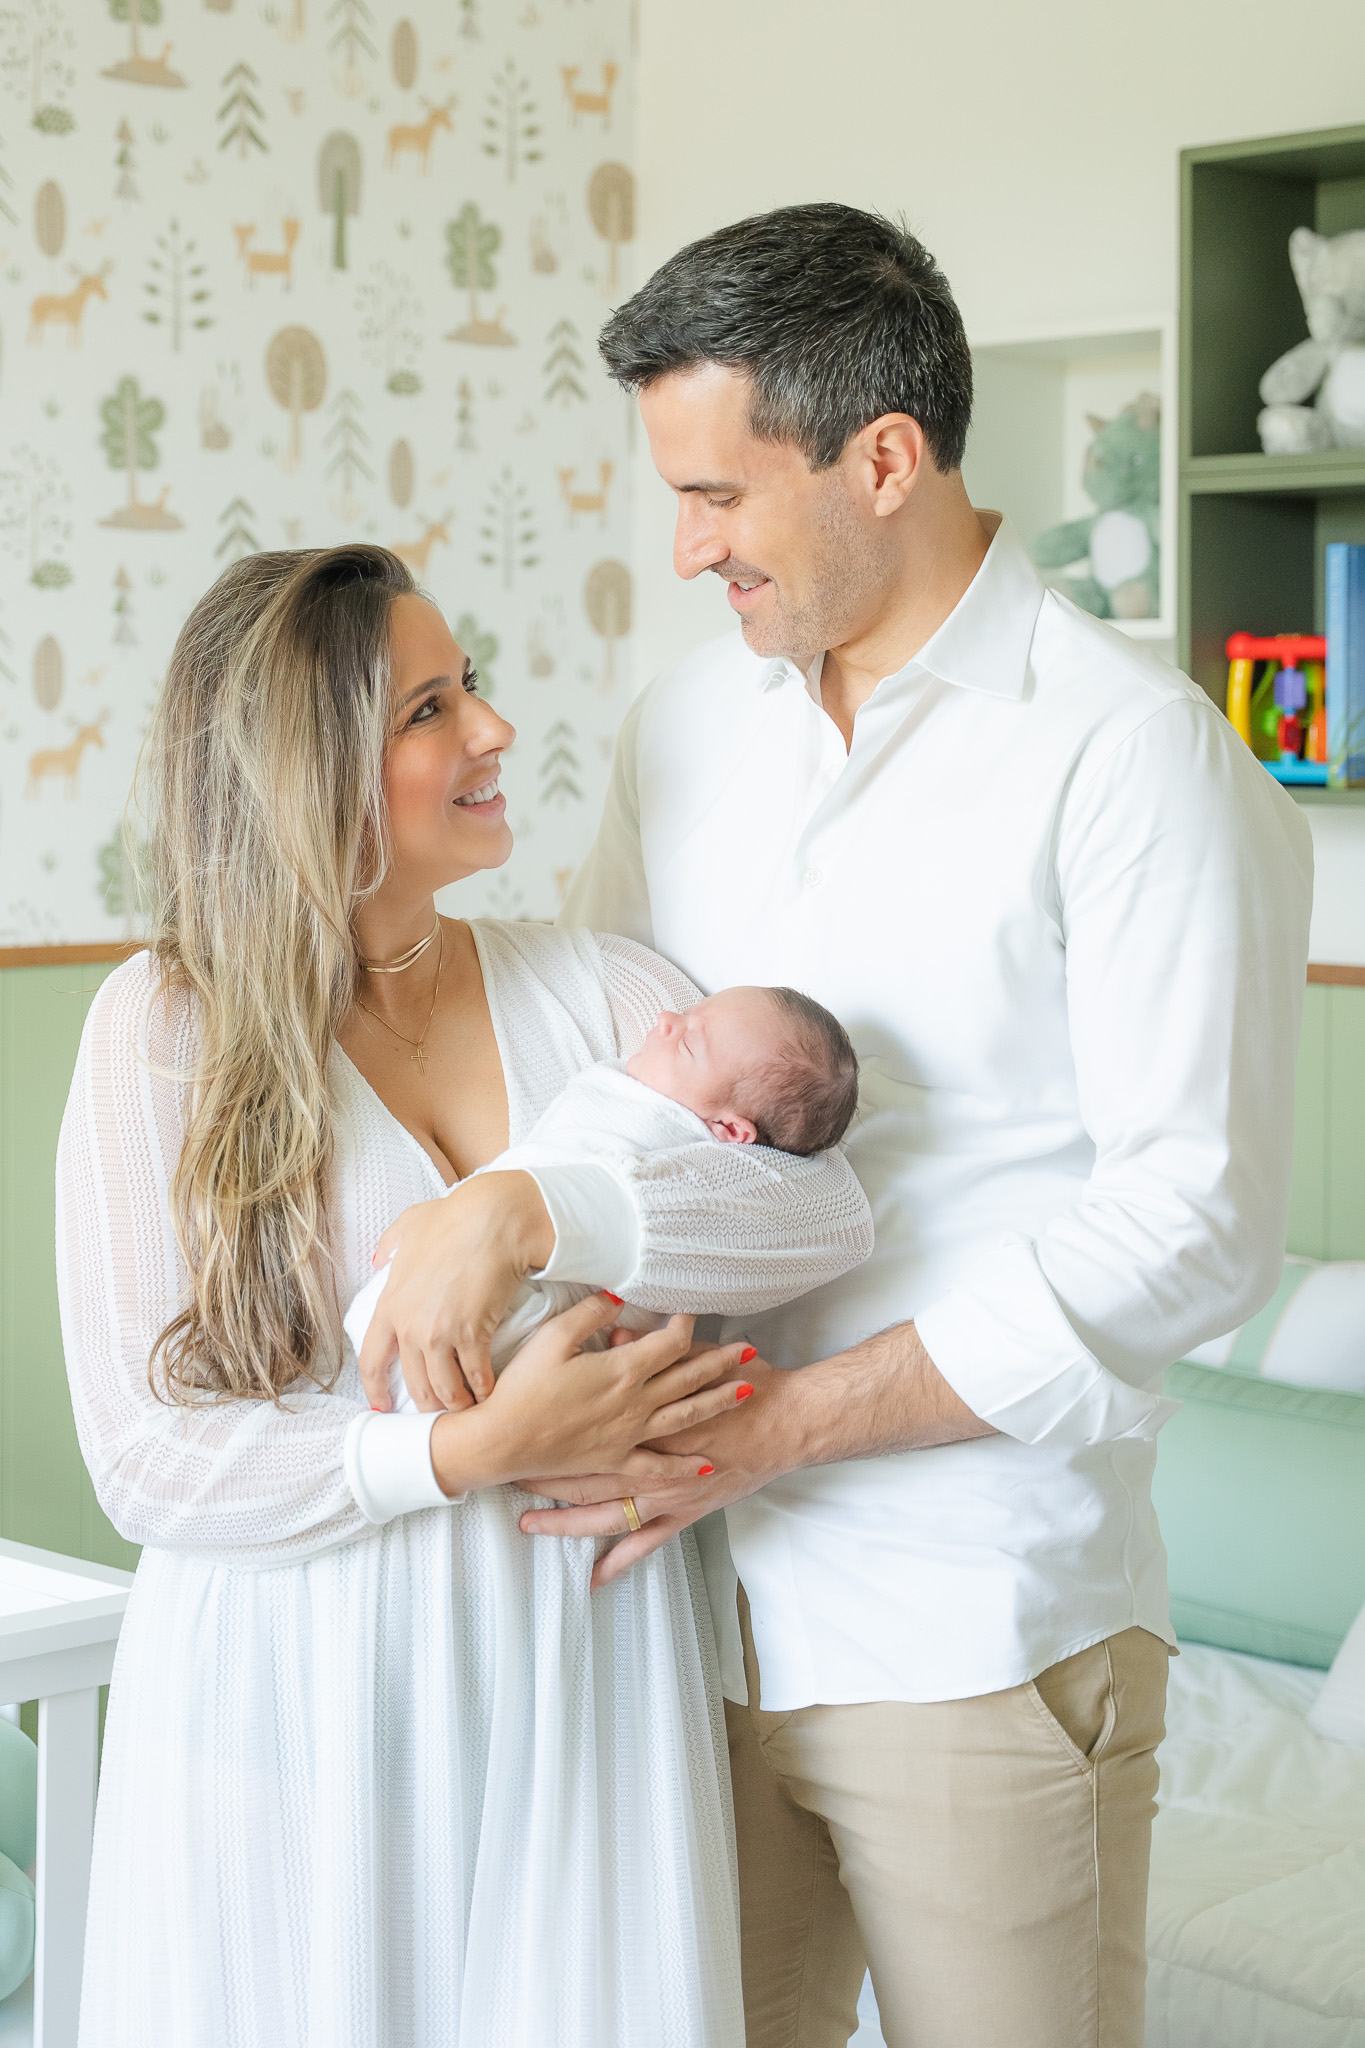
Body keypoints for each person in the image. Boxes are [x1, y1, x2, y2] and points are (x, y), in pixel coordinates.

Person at [365, 205, 1313, 2047]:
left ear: (884, 458)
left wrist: (786, 1426)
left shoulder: (1130, 755)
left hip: (973, 1622)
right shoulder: (685, 727)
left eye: (717, 493)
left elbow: (1195, 1221)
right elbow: (603, 1074)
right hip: (678, 1615)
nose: (686, 544)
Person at [55, 543, 874, 2048]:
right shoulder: (165, 1028)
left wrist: (530, 1211)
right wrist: (462, 1450)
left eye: (470, 684)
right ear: (312, 772)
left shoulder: (601, 993)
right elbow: (146, 1456)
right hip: (294, 1692)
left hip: (579, 1681)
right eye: (430, 708)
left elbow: (822, 1209)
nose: (494, 729)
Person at [344, 983, 862, 1407]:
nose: (666, 1018)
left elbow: (838, 1214)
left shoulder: (687, 1148)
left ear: (729, 1131)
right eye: (686, 1013)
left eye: (687, 1044)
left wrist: (515, 1214)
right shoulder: (658, 1071)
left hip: (541, 1339)